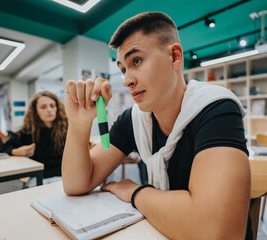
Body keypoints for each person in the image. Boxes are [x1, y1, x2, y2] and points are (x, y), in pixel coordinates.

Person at [63, 12, 252, 239]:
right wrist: (78, 125)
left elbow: (217, 232)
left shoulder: (216, 107)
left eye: (137, 61)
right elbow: (76, 184)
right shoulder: (133, 120)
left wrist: (137, 193)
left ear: (174, 57)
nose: (126, 80)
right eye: (123, 69)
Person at [1, 91, 68, 187]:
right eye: (43, 107)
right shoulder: (29, 131)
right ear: (35, 111)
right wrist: (16, 151)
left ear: (57, 108)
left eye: (52, 106)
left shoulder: (68, 129)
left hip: (64, 176)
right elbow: (3, 147)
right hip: (40, 177)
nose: (49, 110)